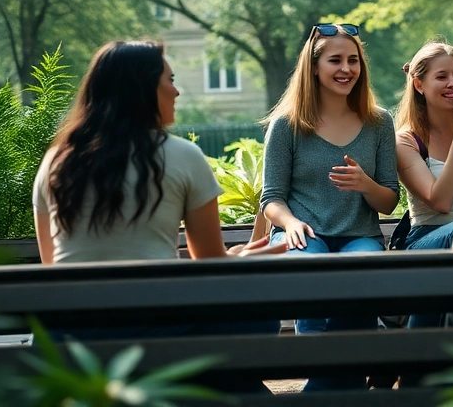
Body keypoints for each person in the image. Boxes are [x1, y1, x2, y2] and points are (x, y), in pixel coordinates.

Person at [31, 41, 284, 390]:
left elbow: (52, 267)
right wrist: (236, 257)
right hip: (155, 333)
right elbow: (210, 264)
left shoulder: (56, 161)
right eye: (170, 79)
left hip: (68, 338)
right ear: (144, 87)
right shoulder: (182, 156)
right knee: (259, 310)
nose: (177, 90)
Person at [260, 22, 399, 372]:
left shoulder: (379, 122)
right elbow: (271, 199)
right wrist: (290, 223)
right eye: (335, 60)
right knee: (312, 270)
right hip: (305, 235)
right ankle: (325, 375)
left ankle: (341, 378)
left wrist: (366, 184)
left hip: (359, 237)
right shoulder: (286, 125)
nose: (346, 69)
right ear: (314, 66)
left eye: (353, 61)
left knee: (364, 271)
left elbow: (388, 201)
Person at [394, 41, 453, 252]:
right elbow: (441, 202)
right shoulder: (406, 142)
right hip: (428, 238)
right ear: (419, 85)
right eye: (442, 77)